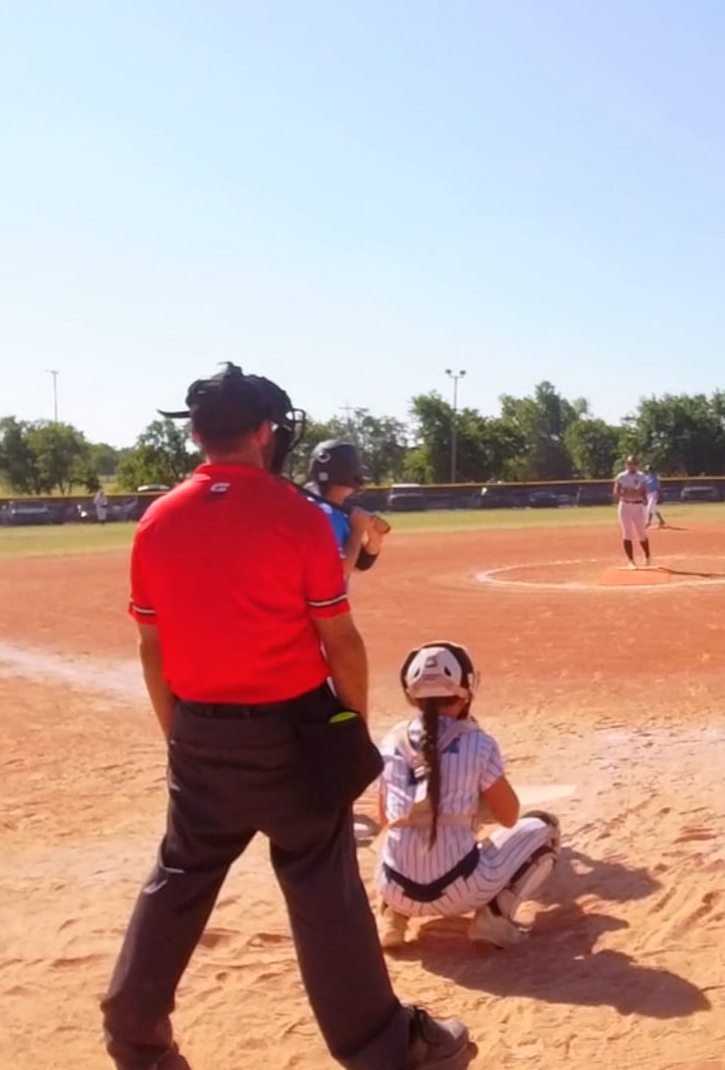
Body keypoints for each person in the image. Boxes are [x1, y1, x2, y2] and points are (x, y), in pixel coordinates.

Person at [100, 363, 468, 1070]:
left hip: (198, 728)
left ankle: (134, 1035)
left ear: (197, 435)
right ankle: (382, 1047)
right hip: (291, 734)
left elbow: (153, 647)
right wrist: (349, 730)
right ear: (265, 432)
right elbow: (340, 641)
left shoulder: (157, 521)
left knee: (179, 875)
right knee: (323, 883)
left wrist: (182, 736)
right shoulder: (295, 515)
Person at [372, 641, 563, 950]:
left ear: (410, 694)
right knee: (545, 828)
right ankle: (494, 916)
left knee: (398, 837)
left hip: (396, 889)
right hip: (463, 891)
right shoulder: (479, 743)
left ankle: (391, 917)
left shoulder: (390, 741)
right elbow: (509, 816)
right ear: (465, 692)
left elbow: (385, 820)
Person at [305, 438, 390, 577]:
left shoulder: (334, 512)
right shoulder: (322, 514)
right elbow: (340, 570)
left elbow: (359, 564)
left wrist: (374, 536)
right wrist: (358, 529)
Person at [613, 456, 654, 569]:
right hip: (625, 506)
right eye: (630, 464)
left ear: (637, 465)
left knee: (641, 534)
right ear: (626, 465)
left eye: (634, 464)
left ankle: (647, 556)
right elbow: (616, 491)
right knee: (627, 533)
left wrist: (640, 494)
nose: (632, 466)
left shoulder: (641, 476)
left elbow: (644, 491)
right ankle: (631, 560)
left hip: (638, 506)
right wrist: (624, 492)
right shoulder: (621, 476)